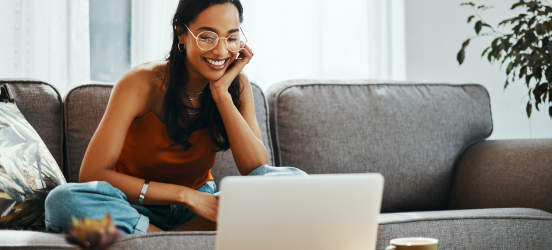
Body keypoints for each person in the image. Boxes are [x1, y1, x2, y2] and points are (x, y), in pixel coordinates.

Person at [45, 0, 306, 235]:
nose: (221, 51)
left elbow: (256, 167)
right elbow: (92, 173)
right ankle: (164, 239)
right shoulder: (140, 83)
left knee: (293, 181)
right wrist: (185, 196)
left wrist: (221, 94)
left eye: (231, 38)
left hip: (202, 210)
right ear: (181, 34)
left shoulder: (235, 85)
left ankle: (154, 238)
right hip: (136, 205)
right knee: (62, 200)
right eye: (207, 37)